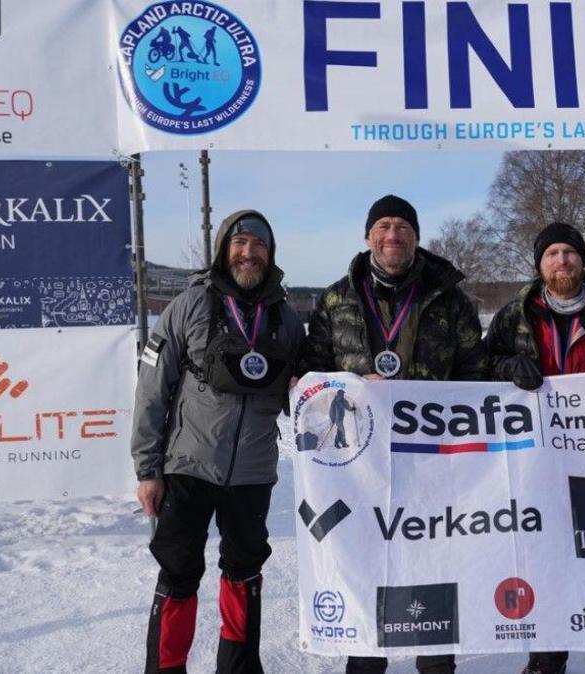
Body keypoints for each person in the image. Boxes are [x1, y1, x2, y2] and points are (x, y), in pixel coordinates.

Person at [300, 194, 487, 674]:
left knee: (433, 562)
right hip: (361, 467)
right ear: (368, 237)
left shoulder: (449, 299)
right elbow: (308, 375)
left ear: (416, 237)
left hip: (433, 460)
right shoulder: (337, 298)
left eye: (402, 226)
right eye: (383, 225)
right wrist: (353, 388)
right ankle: (365, 660)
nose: (392, 235)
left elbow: (476, 372)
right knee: (366, 561)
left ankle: (436, 663)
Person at [131, 210, 305, 674]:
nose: (248, 253)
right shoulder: (189, 306)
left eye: (259, 246)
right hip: (188, 466)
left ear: (271, 255)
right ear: (225, 248)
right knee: (179, 573)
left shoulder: (286, 318)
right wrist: (148, 470)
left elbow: (311, 386)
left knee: (245, 572)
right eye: (240, 242)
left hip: (253, 472)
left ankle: (239, 668)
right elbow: (152, 388)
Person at [484, 222, 585, 674]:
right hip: (538, 461)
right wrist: (508, 365)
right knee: (546, 557)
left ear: (583, 261)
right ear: (539, 263)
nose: (561, 261)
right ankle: (547, 656)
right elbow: (479, 363)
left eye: (570, 252)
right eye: (552, 254)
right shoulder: (517, 313)